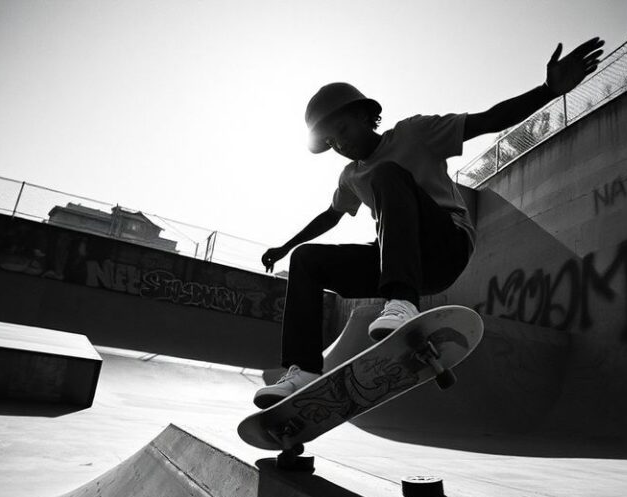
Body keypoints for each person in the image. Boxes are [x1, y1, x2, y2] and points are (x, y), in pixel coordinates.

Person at [255, 37, 605, 408]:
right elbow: (331, 215)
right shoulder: (349, 176)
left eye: (342, 130)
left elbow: (487, 121)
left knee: (388, 175)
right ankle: (304, 369)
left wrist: (547, 90)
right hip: (399, 260)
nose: (339, 144)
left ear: (364, 116)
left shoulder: (413, 133)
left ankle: (403, 303)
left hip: (445, 246)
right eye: (330, 141)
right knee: (307, 261)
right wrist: (287, 246)